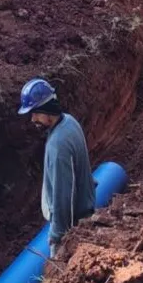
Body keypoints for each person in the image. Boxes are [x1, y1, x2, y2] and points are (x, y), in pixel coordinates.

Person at [18, 78, 95, 257]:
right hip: (84, 210)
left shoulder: (58, 145)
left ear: (47, 110)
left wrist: (57, 237)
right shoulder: (68, 121)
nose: (32, 119)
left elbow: (62, 196)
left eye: (35, 113)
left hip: (74, 222)